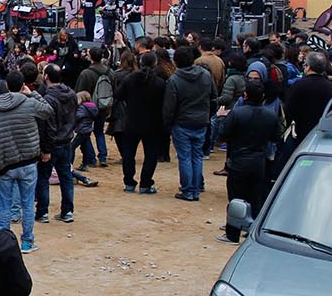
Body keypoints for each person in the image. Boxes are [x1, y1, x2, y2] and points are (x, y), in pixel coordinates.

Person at [0, 73, 52, 254]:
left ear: (6, 86)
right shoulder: (29, 103)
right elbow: (48, 111)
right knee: (27, 204)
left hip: (5, 161)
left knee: (4, 205)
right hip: (28, 160)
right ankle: (27, 242)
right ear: (23, 85)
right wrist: (33, 94)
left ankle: (3, 243)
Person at [217, 77, 282, 243]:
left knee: (236, 198)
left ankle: (233, 233)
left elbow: (223, 134)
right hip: (259, 160)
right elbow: (276, 137)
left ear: (245, 95)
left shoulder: (237, 113)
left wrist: (221, 118)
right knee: (256, 197)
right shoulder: (270, 115)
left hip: (239, 159)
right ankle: (252, 231)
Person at [164, 44, 215, 202]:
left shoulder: (174, 80)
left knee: (185, 157)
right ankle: (196, 188)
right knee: (197, 156)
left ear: (176, 61)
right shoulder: (205, 75)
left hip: (182, 122)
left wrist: (168, 122)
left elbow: (169, 106)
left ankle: (188, 190)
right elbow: (213, 96)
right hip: (201, 120)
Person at [113, 52, 169, 194]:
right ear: (155, 64)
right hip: (152, 122)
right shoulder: (159, 83)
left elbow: (118, 95)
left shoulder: (129, 79)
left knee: (128, 154)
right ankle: (145, 184)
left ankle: (129, 182)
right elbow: (165, 103)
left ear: (140, 62)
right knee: (150, 155)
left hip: (132, 120)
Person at [35, 63, 79, 224]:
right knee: (66, 176)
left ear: (46, 76)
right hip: (67, 140)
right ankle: (67, 211)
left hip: (53, 143)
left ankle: (42, 212)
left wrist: (46, 149)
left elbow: (48, 126)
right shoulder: (72, 94)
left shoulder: (48, 98)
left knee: (43, 177)